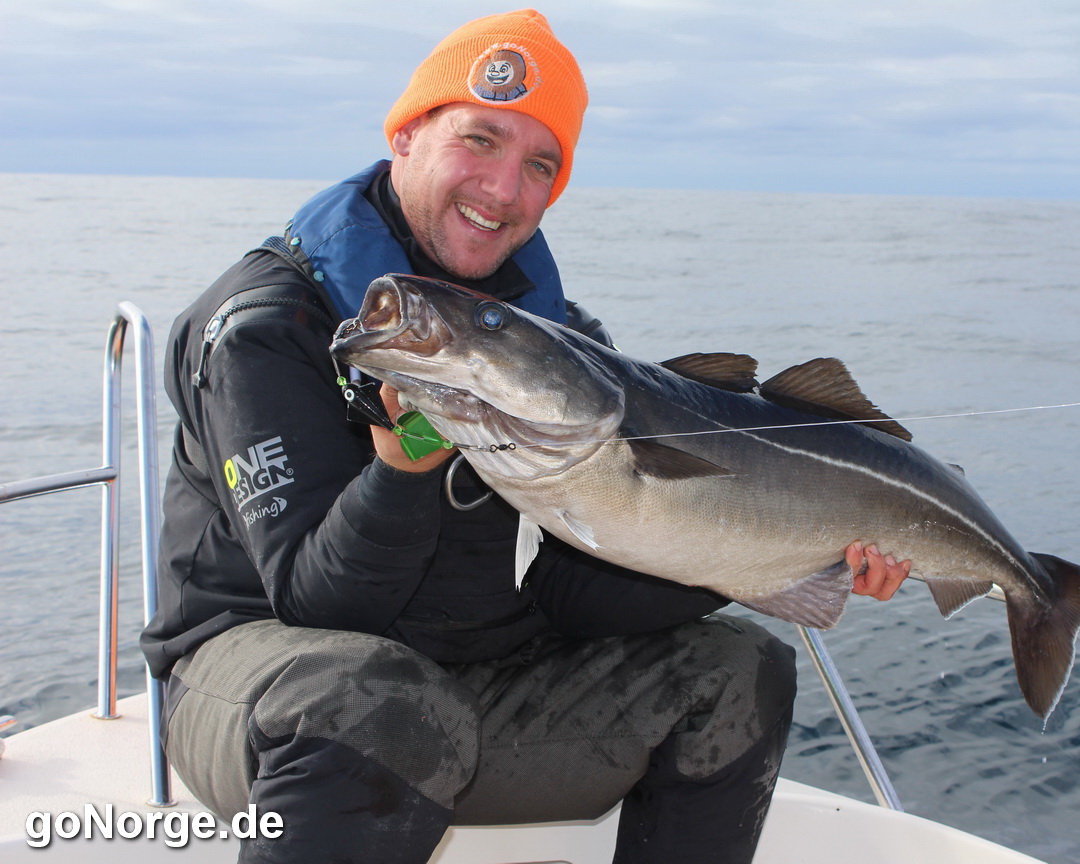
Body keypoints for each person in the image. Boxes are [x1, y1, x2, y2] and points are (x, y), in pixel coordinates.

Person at [141, 9, 910, 863]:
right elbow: (318, 605)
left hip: (471, 681)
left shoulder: (559, 343)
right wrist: (401, 469)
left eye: (539, 165)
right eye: (479, 140)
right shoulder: (265, 326)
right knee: (382, 703)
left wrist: (776, 553)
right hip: (259, 693)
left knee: (736, 673)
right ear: (406, 135)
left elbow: (572, 594)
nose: (503, 189)